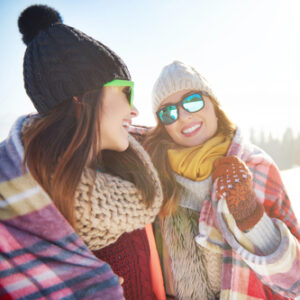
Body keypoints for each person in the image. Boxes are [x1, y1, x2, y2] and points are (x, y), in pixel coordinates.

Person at [0, 5, 165, 299]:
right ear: (80, 97)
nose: (135, 109)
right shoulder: (14, 216)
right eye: (126, 91)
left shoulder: (127, 182)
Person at [144, 60, 300, 299]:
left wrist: (252, 219)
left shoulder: (257, 167)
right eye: (168, 112)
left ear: (213, 104)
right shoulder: (156, 177)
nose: (183, 116)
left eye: (192, 101)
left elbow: (295, 280)